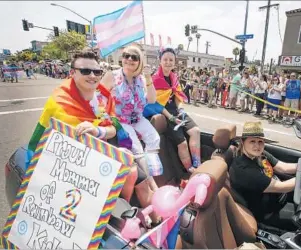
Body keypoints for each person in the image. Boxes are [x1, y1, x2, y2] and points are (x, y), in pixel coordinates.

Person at [27, 51, 137, 202]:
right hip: (68, 166)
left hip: (100, 154)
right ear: (73, 73)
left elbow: (112, 129)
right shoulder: (59, 101)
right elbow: (42, 138)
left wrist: (97, 130)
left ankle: (120, 209)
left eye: (97, 72)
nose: (92, 76)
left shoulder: (104, 97)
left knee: (133, 169)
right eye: (85, 71)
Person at [101, 45, 162, 222]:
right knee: (135, 145)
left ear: (139, 62)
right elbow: (100, 100)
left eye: (134, 57)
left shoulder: (142, 79)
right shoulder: (112, 76)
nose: (129, 59)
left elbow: (152, 100)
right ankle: (152, 183)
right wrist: (106, 123)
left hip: (137, 118)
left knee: (154, 138)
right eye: (126, 56)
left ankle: (154, 168)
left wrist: (149, 78)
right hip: (120, 119)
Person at [229, 121, 297, 231]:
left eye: (260, 141)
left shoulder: (260, 155)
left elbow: (282, 167)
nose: (257, 145)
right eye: (252, 141)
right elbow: (280, 187)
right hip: (267, 214)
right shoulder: (243, 169)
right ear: (243, 142)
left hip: (277, 200)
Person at [144, 45, 201, 173]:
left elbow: (178, 96)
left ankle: (197, 163)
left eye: (171, 60)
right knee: (182, 143)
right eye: (165, 59)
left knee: (195, 131)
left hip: (176, 111)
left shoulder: (174, 77)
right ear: (160, 61)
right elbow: (156, 104)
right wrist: (172, 117)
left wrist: (181, 110)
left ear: (174, 62)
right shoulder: (154, 79)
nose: (168, 62)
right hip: (164, 113)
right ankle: (190, 170)